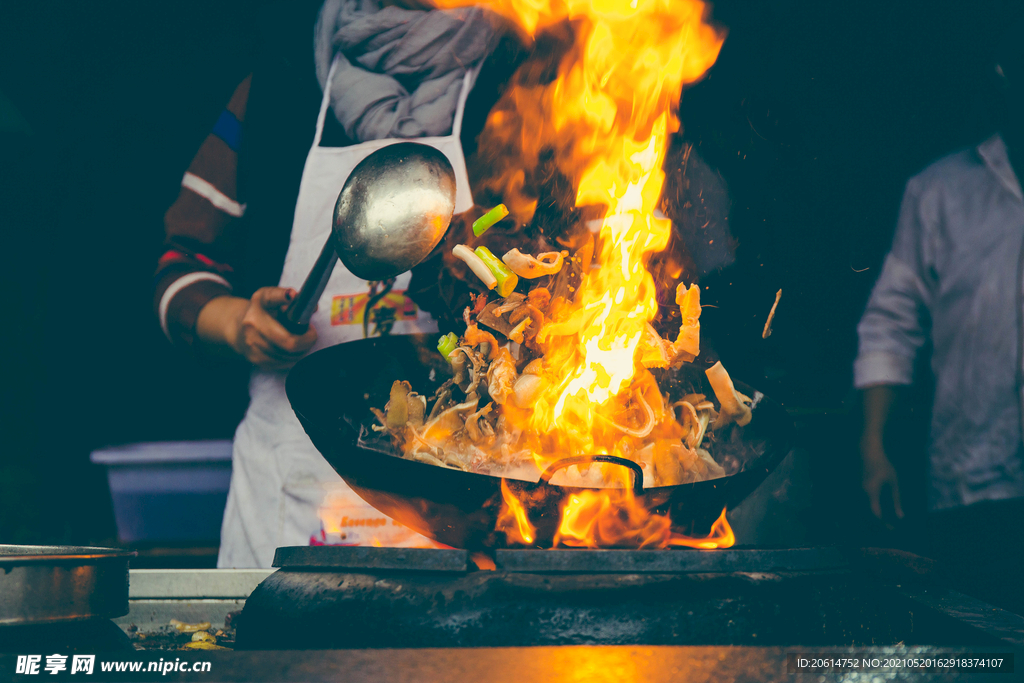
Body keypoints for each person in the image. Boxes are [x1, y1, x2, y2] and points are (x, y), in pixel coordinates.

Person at [155, 0, 733, 568]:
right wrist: (236, 323)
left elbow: (618, 267)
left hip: (471, 492)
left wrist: (519, 279)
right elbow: (183, 263)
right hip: (292, 476)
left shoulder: (533, 73)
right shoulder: (280, 85)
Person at [855, 20, 1024, 610]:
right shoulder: (940, 193)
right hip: (973, 483)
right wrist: (874, 443)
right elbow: (890, 324)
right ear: (1005, 78)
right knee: (986, 645)